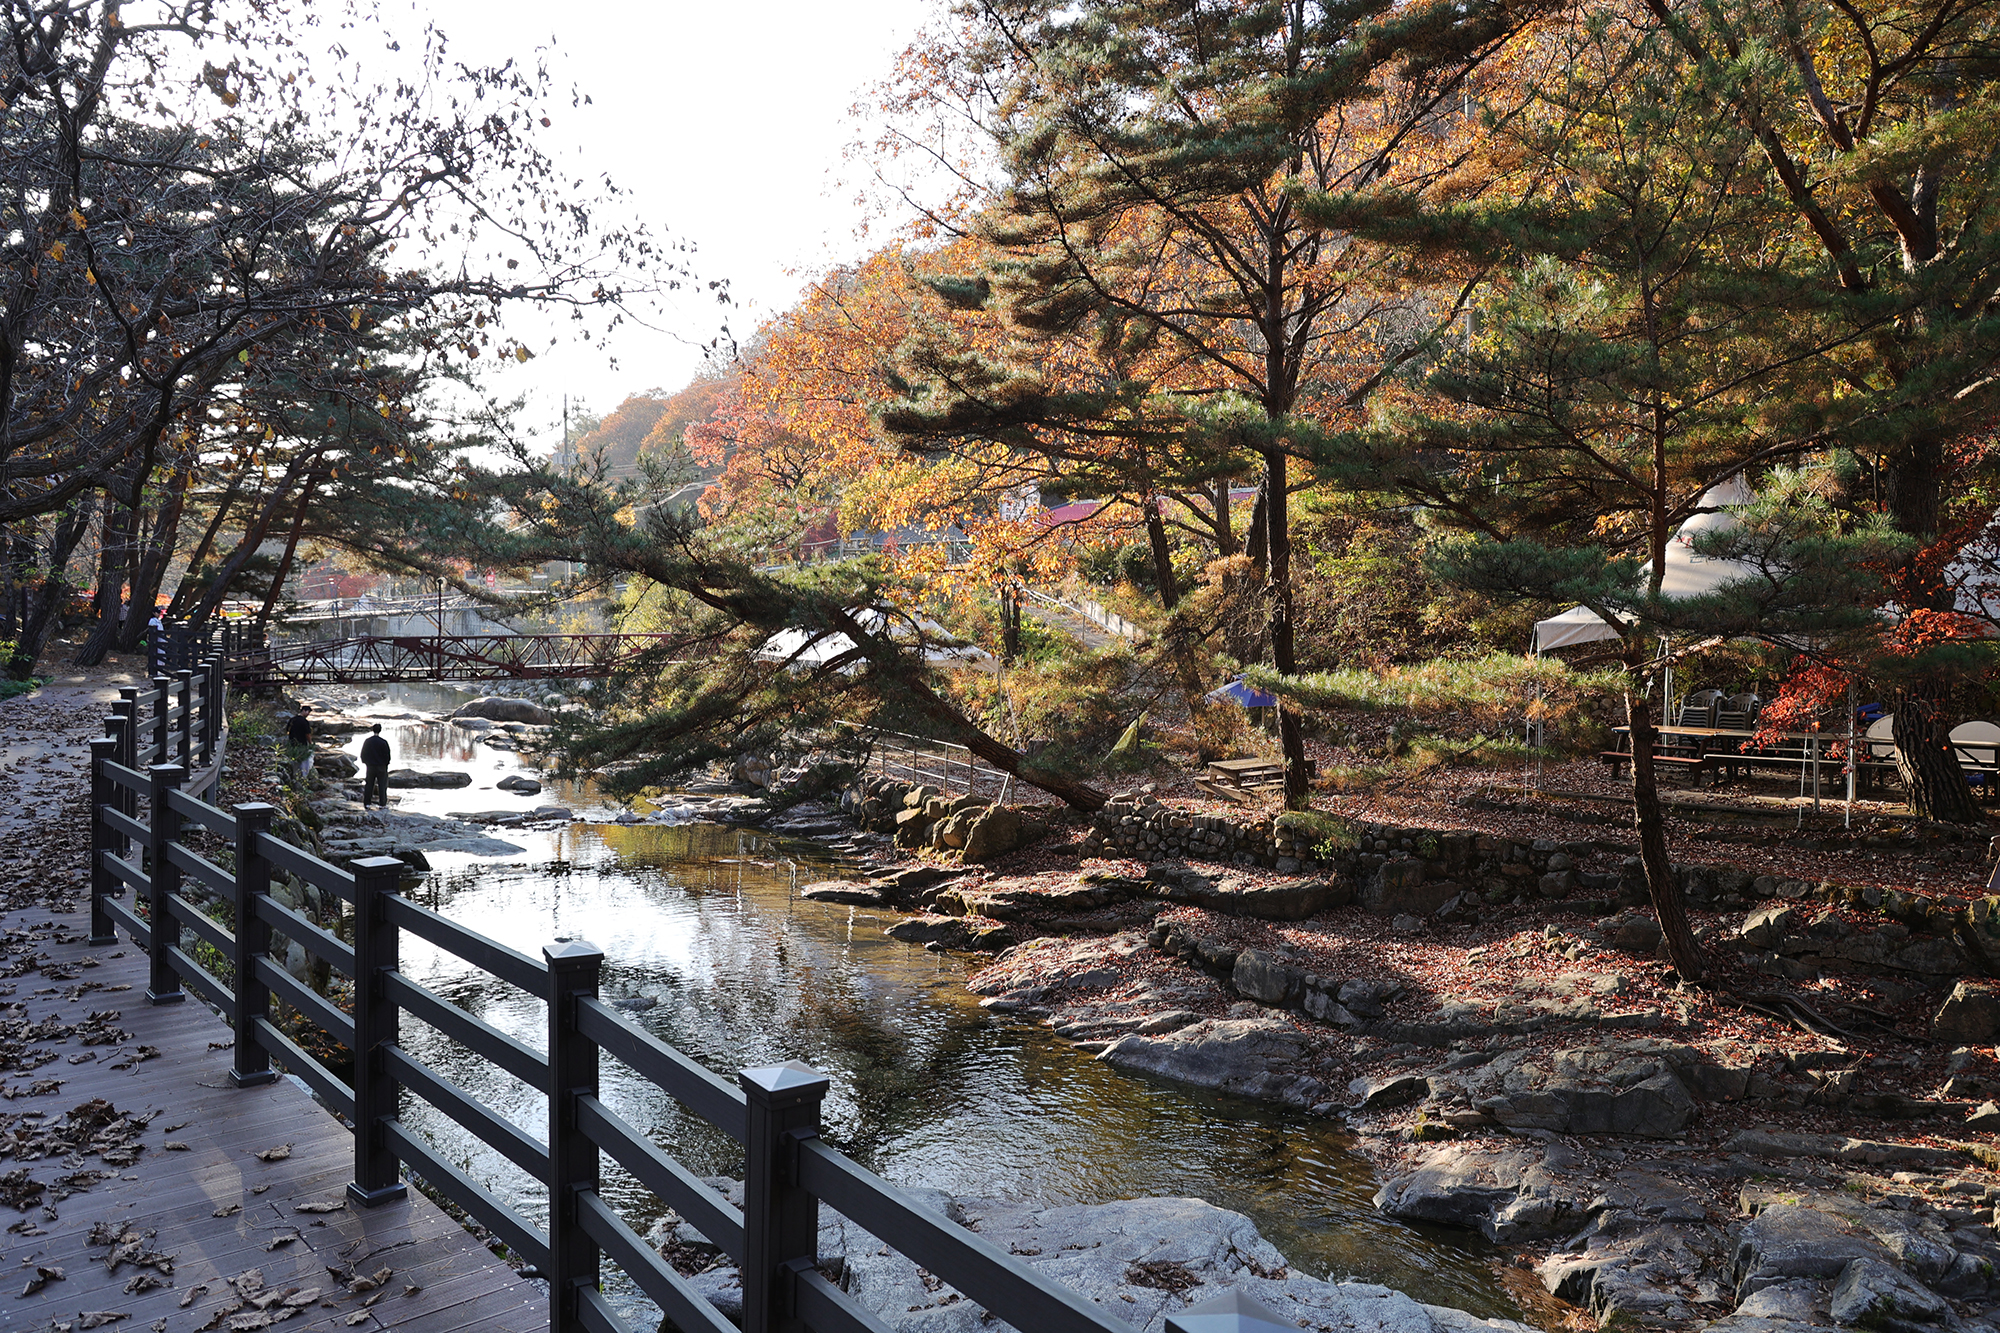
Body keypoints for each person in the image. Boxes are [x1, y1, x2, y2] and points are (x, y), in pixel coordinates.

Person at [359, 723, 391, 809]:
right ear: (380, 730)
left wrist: (366, 762)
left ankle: (367, 803)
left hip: (370, 766)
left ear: (372, 730)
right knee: (382, 785)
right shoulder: (383, 742)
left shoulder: (367, 741)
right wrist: (386, 764)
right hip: (381, 766)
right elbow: (387, 755)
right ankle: (382, 804)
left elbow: (363, 754)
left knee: (369, 784)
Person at [285, 704, 314, 782]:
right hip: (302, 743)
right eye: (308, 712)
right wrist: (310, 743)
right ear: (303, 711)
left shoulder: (292, 719)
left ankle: (294, 775)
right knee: (303, 760)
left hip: (292, 742)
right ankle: (303, 776)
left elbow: (287, 730)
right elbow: (307, 734)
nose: (308, 714)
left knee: (294, 759)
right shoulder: (304, 722)